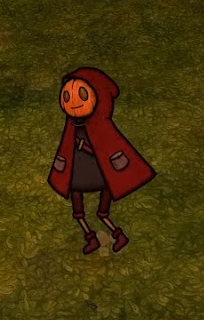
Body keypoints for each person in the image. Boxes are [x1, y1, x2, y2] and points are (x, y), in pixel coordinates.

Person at [47, 67, 155, 254]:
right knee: (77, 207)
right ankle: (91, 237)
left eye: (81, 94)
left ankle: (118, 234)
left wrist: (85, 148)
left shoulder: (102, 127)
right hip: (79, 171)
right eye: (66, 96)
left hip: (99, 172)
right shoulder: (71, 126)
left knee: (102, 210)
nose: (72, 102)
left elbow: (105, 150)